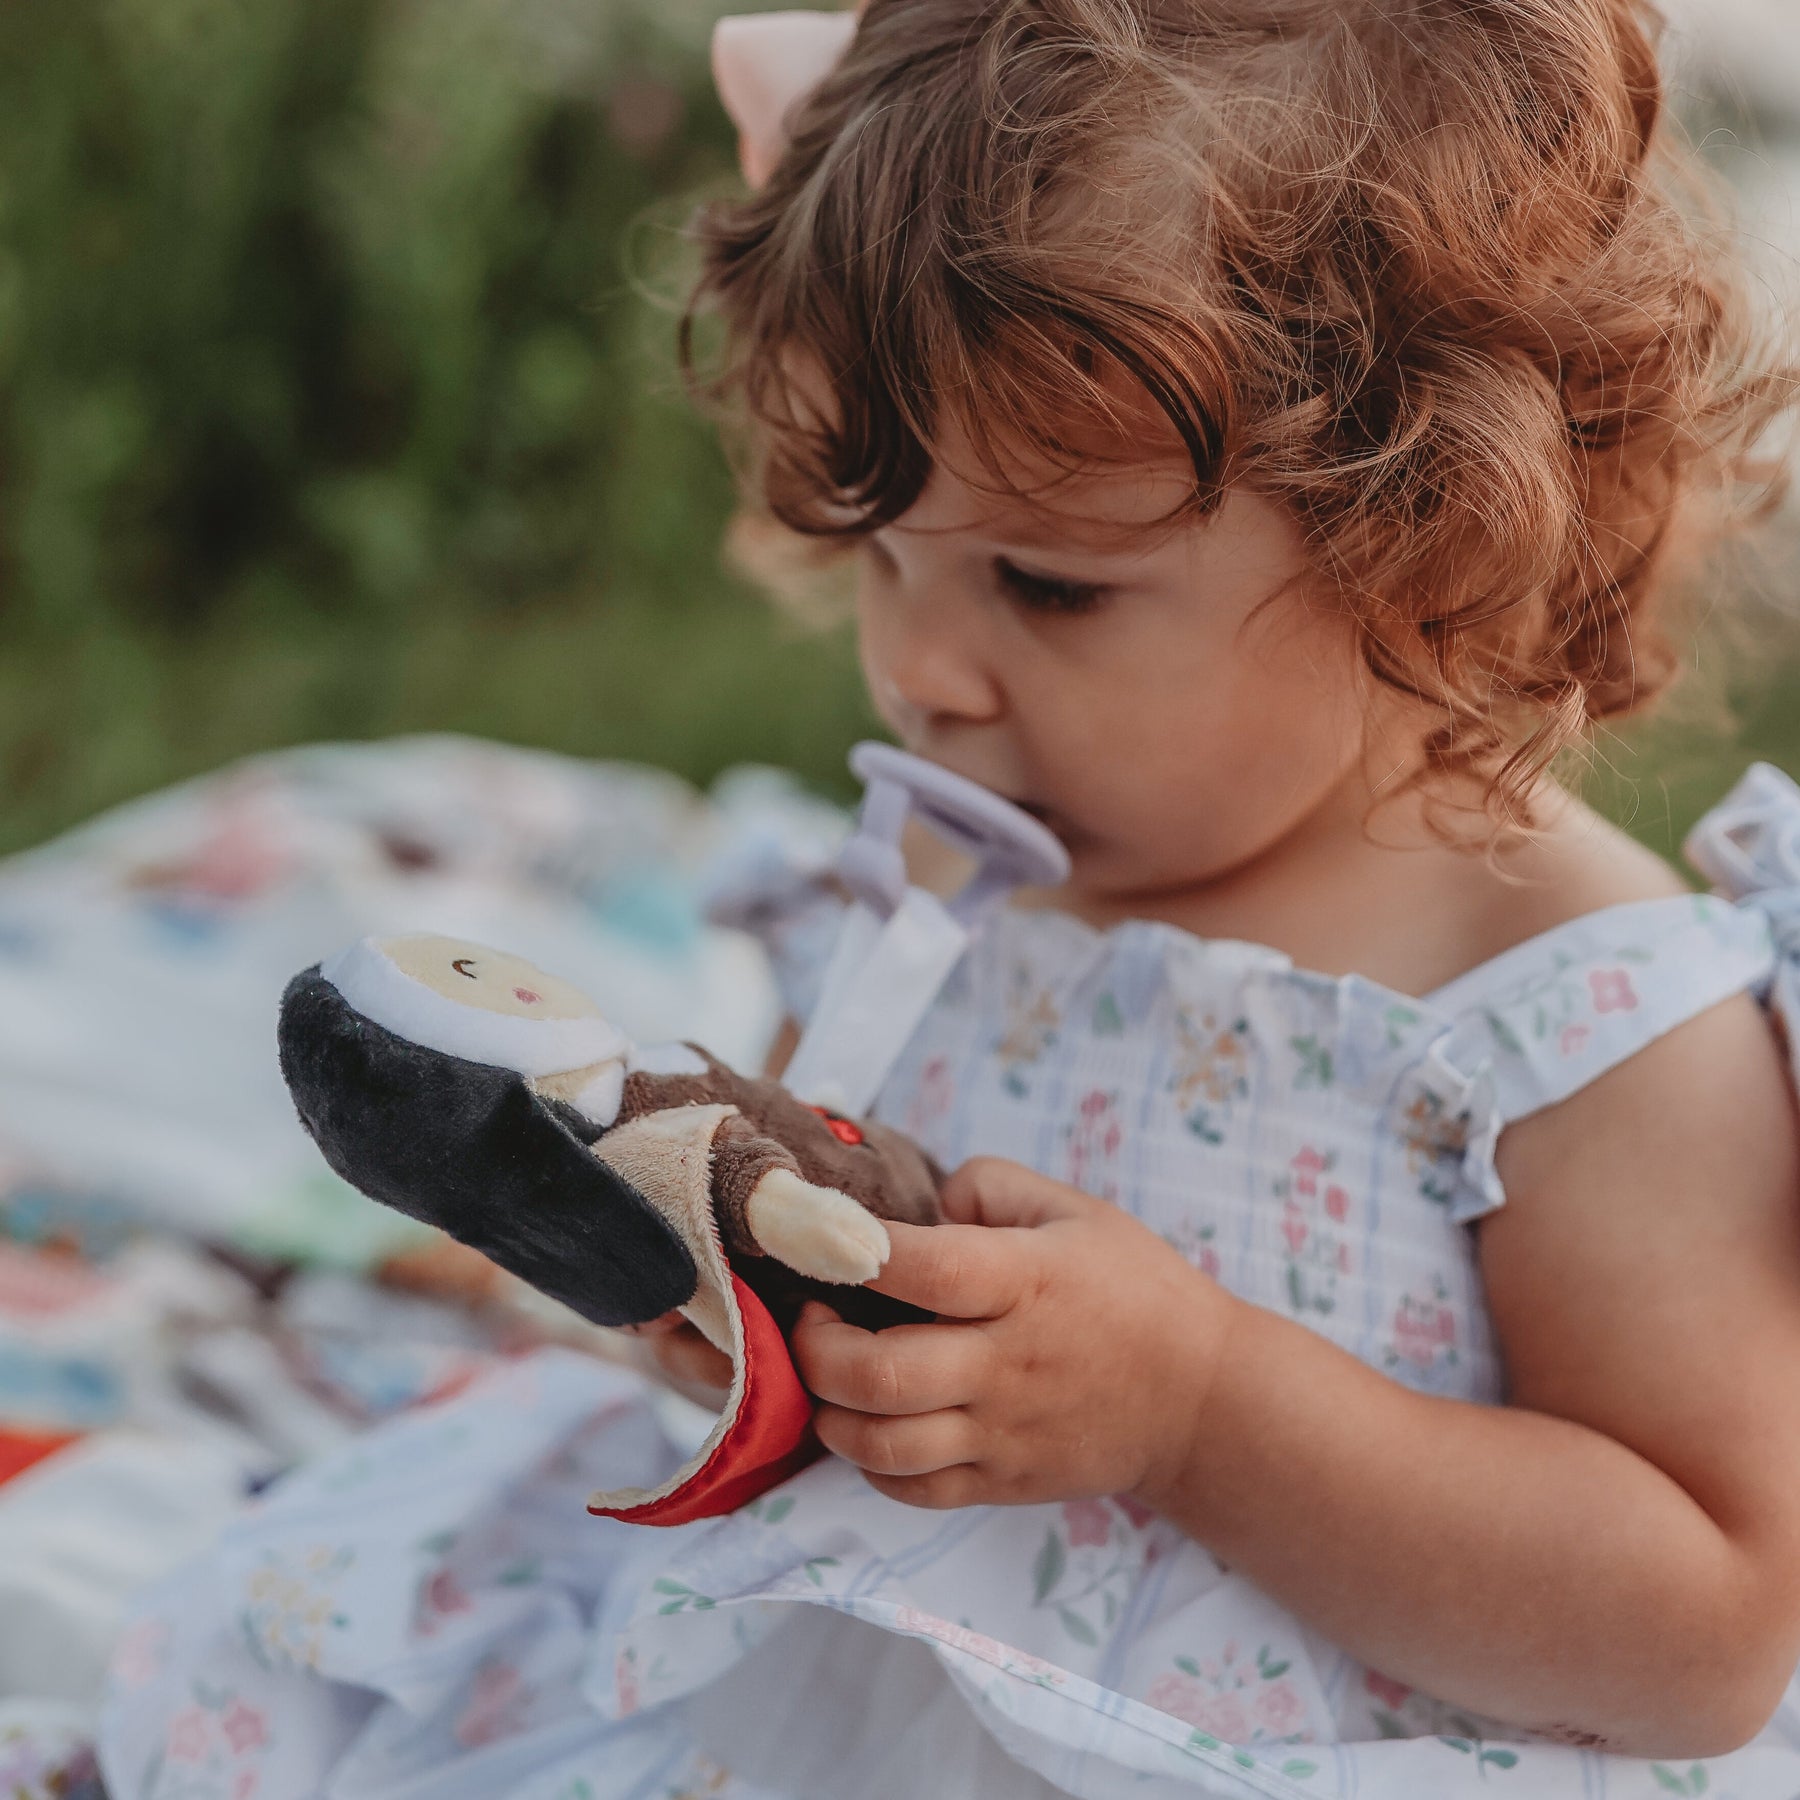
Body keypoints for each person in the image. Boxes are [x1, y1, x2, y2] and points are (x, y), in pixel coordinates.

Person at [97, 3, 1800, 1796]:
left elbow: (1709, 1632)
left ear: (1432, 539)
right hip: (843, 1693)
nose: (920, 666)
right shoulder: (952, 866)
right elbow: (821, 1176)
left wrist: (1200, 1410)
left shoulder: (1573, 1006)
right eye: (878, 553)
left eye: (1049, 587)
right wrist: (743, 1328)